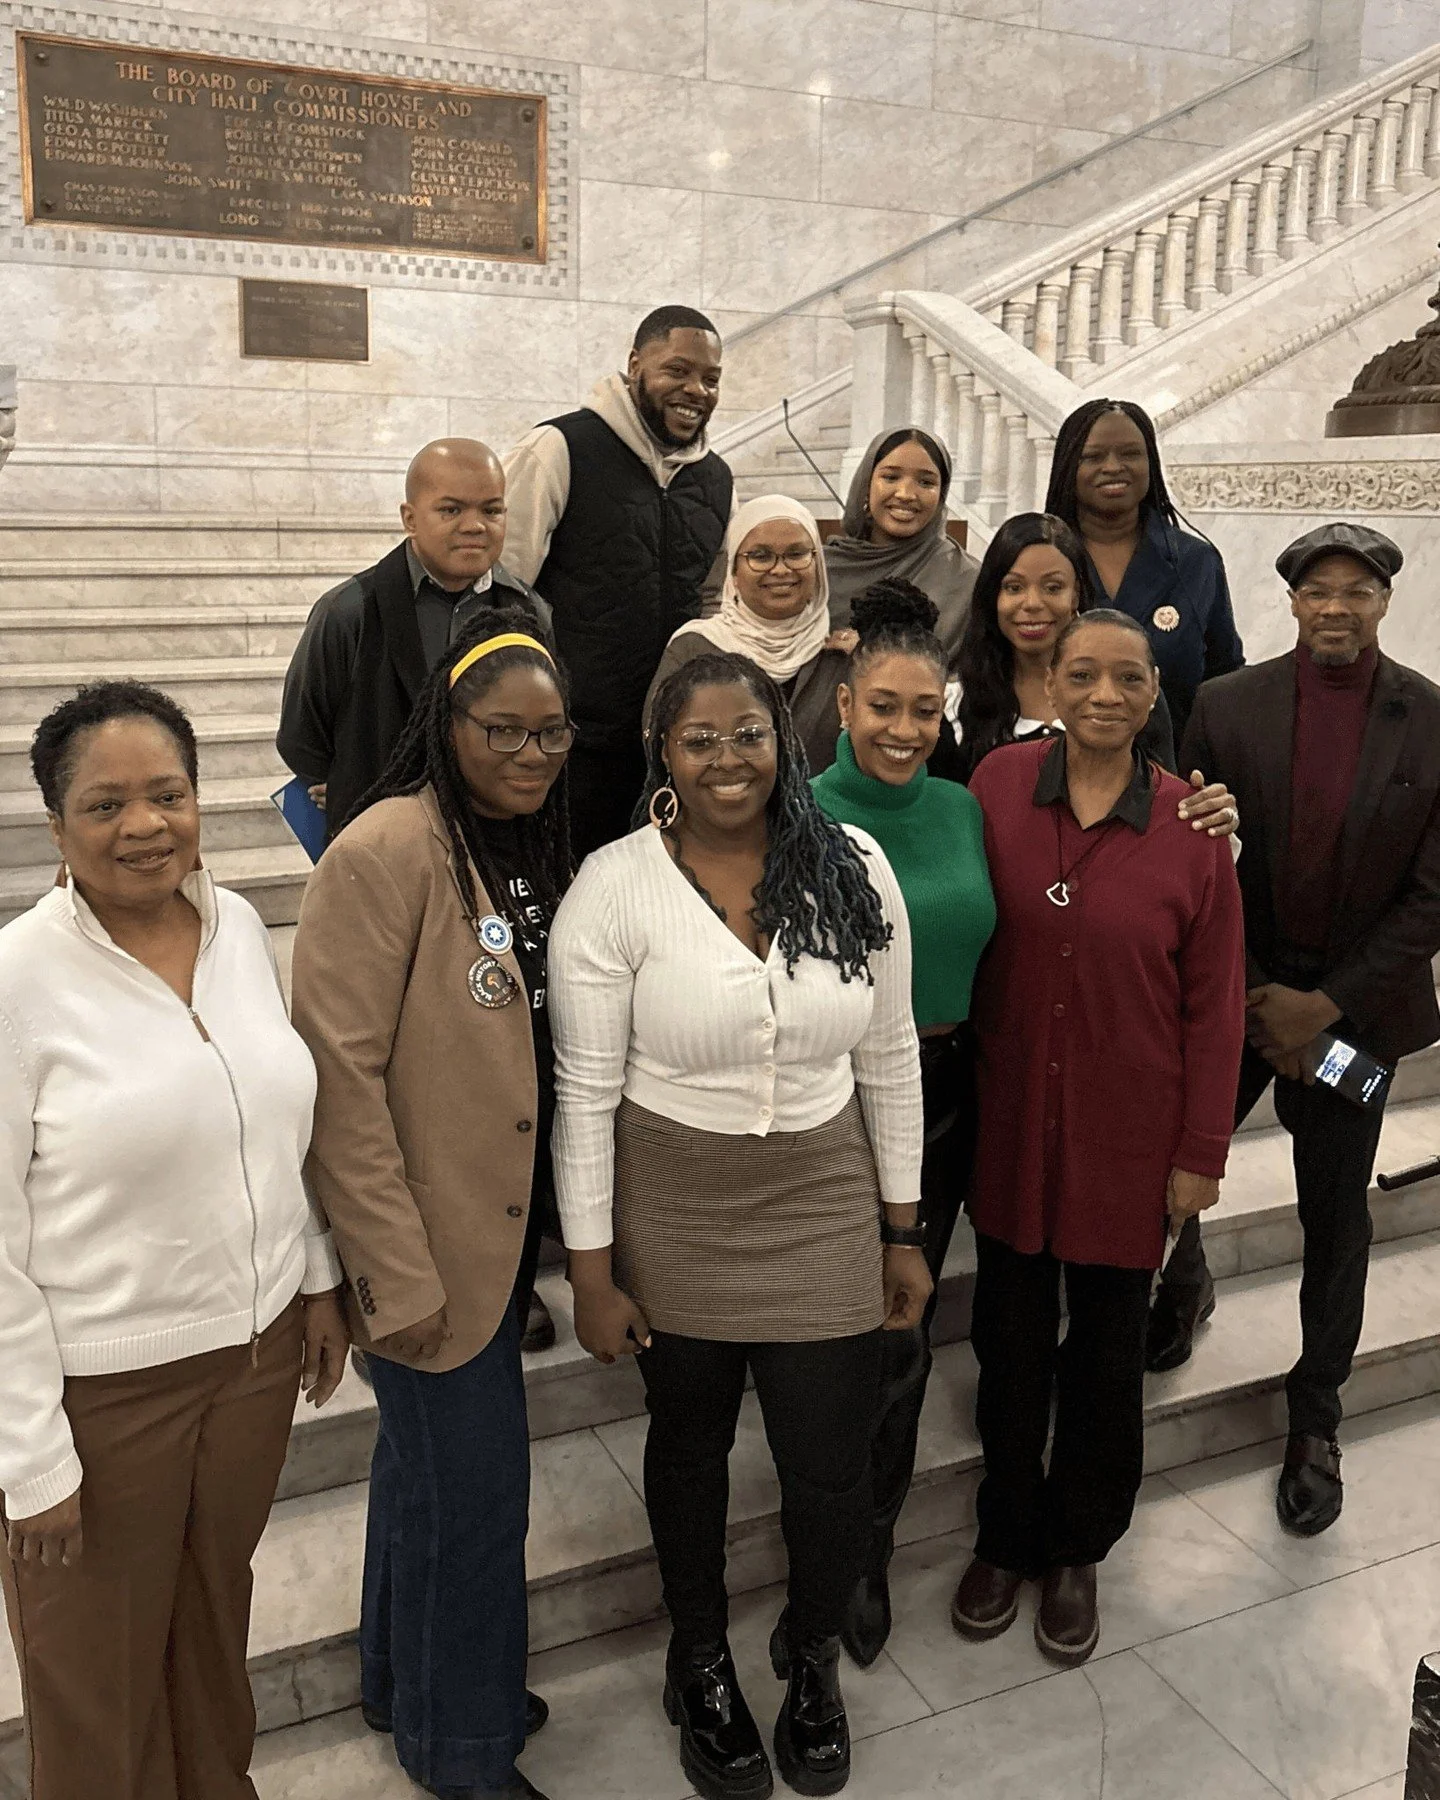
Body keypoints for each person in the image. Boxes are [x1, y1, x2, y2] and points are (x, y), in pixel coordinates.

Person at [550, 652, 927, 1800]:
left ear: (785, 740)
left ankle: (811, 1655)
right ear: (662, 754)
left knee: (828, 1463)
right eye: (699, 738)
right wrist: (593, 1274)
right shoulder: (615, 886)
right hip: (672, 1199)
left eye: (749, 733)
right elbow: (582, 1093)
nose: (728, 758)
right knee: (690, 1451)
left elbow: (891, 1053)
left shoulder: (852, 865)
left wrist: (900, 1227)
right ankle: (699, 1656)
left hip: (818, 1196)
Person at [0, 681, 348, 1800]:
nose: (145, 824)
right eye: (105, 806)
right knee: (93, 1682)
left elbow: (272, 1123)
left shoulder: (237, 924)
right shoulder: (18, 982)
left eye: (167, 795)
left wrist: (315, 1280)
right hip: (101, 1396)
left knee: (211, 1632)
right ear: (55, 827)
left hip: (249, 1367)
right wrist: (30, 1459)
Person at [289, 607, 573, 1800]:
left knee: (425, 1477)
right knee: (478, 1501)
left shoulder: (514, 841)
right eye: (502, 730)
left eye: (551, 731)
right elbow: (334, 1072)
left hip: (490, 1235)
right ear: (444, 726)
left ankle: (403, 1680)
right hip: (424, 1245)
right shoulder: (385, 849)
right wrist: (386, 1274)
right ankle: (462, 1752)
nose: (530, 751)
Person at [953, 610, 1245, 1666]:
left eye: (1129, 677)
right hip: (1014, 1122)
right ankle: (1004, 1533)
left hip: (1131, 1137)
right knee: (1012, 1350)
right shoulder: (993, 787)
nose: (1106, 694)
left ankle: (1078, 1548)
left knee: (1107, 1360)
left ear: (1155, 692)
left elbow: (1215, 1008)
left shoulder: (1195, 830)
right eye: (1084, 673)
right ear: (1053, 683)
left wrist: (1199, 1154)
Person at [1147, 523, 1440, 1535]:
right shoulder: (1225, 709)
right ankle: (1182, 1286)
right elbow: (1192, 863)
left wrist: (1325, 1007)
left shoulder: (1432, 719)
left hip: (1357, 1031)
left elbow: (1432, 895)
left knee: (1339, 1217)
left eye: (1358, 590)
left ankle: (1316, 1419)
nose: (1338, 607)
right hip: (1238, 1003)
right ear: (1294, 600)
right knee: (1170, 1172)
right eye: (1321, 589)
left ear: (1384, 603)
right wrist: (1264, 994)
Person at [810, 580, 995, 1669]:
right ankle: (839, 1539)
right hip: (846, 1100)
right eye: (883, 706)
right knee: (863, 1327)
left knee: (907, 1325)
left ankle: (871, 1533)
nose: (903, 730)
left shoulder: (964, 805)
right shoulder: (801, 813)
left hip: (957, 1087)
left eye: (923, 711)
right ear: (844, 704)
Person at [503, 306, 734, 858]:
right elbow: (502, 591)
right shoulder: (560, 448)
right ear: (635, 365)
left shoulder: (717, 479)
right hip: (570, 747)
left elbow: (715, 606)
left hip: (671, 749)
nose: (695, 389)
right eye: (677, 370)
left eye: (711, 378)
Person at [277, 437, 542, 841]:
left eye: (491, 510)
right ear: (410, 518)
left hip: (496, 839)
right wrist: (355, 778)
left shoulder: (529, 614)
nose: (474, 525)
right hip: (380, 840)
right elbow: (302, 738)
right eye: (450, 509)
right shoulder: (350, 612)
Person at [939, 513, 1241, 847]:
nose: (1033, 603)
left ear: (1077, 594)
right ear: (992, 596)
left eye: (1053, 587)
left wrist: (1210, 812)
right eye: (1013, 587)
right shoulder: (953, 703)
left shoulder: (1126, 698)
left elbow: (1168, 807)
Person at [1044, 399, 1244, 741]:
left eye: (1130, 454)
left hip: (1172, 776)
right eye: (1093, 457)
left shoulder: (1196, 561)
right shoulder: (1039, 557)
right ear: (1067, 467)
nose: (1113, 467)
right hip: (1052, 767)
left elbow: (1224, 682)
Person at [646, 493, 852, 775]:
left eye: (797, 554)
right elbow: (660, 749)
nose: (780, 569)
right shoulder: (693, 648)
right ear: (733, 571)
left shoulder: (842, 651)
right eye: (760, 556)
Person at [824, 428, 979, 659]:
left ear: (941, 495)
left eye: (926, 482)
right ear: (866, 484)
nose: (906, 494)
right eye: (890, 477)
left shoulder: (966, 579)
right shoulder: (822, 569)